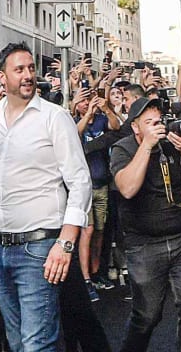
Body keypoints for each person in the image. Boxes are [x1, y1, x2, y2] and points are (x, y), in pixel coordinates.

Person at [0, 42, 92, 352]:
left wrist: (65, 243)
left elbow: (80, 181)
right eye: (19, 69)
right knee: (18, 343)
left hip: (41, 248)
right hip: (0, 250)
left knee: (37, 344)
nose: (27, 75)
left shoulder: (55, 117)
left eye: (31, 69)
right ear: (1, 76)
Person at [111, 95, 181, 352]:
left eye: (159, 121)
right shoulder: (124, 148)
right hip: (144, 244)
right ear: (135, 126)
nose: (157, 126)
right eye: (149, 122)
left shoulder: (171, 144)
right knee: (147, 316)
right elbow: (127, 188)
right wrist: (146, 147)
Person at [73, 87, 119, 301]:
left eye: (89, 100)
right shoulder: (72, 121)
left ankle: (95, 272)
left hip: (102, 184)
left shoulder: (102, 120)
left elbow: (116, 126)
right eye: (83, 101)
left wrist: (106, 108)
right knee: (87, 231)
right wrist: (88, 113)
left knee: (100, 231)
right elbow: (75, 134)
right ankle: (85, 279)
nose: (87, 104)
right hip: (84, 186)